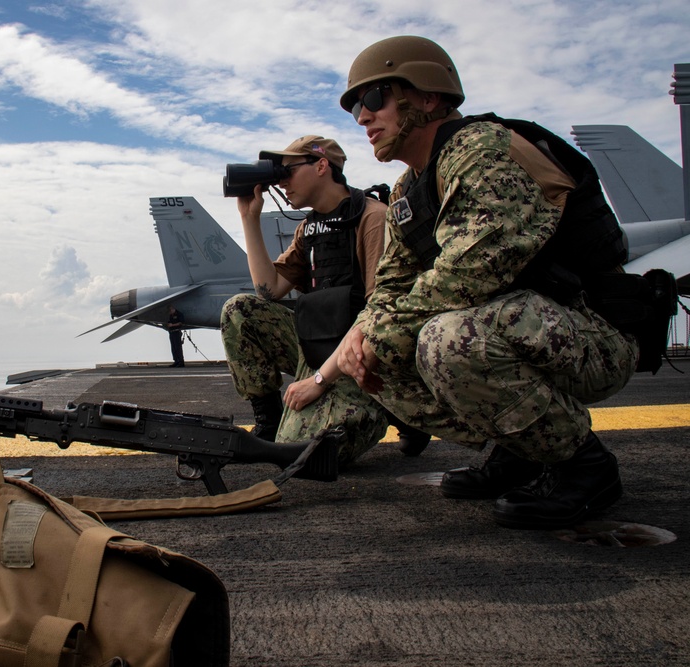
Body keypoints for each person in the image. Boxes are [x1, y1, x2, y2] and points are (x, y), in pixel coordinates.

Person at [336, 36, 638, 528]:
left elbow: (469, 270)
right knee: (378, 355)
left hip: (590, 332)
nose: (363, 117)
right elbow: (390, 284)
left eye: (374, 99)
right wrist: (363, 337)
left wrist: (377, 336)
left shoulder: (483, 149)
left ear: (428, 96)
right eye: (354, 109)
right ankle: (521, 448)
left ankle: (584, 466)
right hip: (522, 329)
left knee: (447, 339)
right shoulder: (408, 188)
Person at [220, 135, 430, 467]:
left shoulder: (372, 218)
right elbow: (268, 290)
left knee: (309, 453)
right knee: (239, 310)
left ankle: (401, 411)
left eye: (288, 171)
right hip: (321, 344)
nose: (282, 182)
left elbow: (380, 317)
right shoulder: (310, 229)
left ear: (321, 166)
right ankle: (270, 420)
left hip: (365, 355)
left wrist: (319, 382)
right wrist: (249, 218)